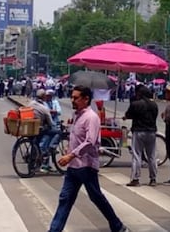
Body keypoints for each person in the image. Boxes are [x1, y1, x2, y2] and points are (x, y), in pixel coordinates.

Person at [48, 85, 127, 232]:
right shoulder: (77, 115)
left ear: (86, 99)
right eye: (72, 97)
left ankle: (117, 225)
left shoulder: (91, 118)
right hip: (73, 167)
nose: (73, 100)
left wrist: (71, 154)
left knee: (96, 197)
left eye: (76, 98)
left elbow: (90, 142)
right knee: (65, 199)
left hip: (86, 166)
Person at [122, 84, 158, 186]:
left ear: (139, 94)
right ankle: (153, 179)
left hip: (139, 131)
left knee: (137, 155)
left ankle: (135, 179)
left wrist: (125, 117)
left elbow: (129, 115)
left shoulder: (135, 104)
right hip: (151, 132)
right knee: (151, 156)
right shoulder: (154, 105)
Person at [41, 89, 63, 172]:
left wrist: (53, 111)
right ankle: (44, 164)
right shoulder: (43, 103)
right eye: (47, 95)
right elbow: (46, 112)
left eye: (50, 95)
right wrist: (52, 112)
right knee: (45, 144)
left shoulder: (55, 102)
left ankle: (47, 163)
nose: (48, 97)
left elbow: (59, 111)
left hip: (55, 123)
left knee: (56, 137)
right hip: (47, 125)